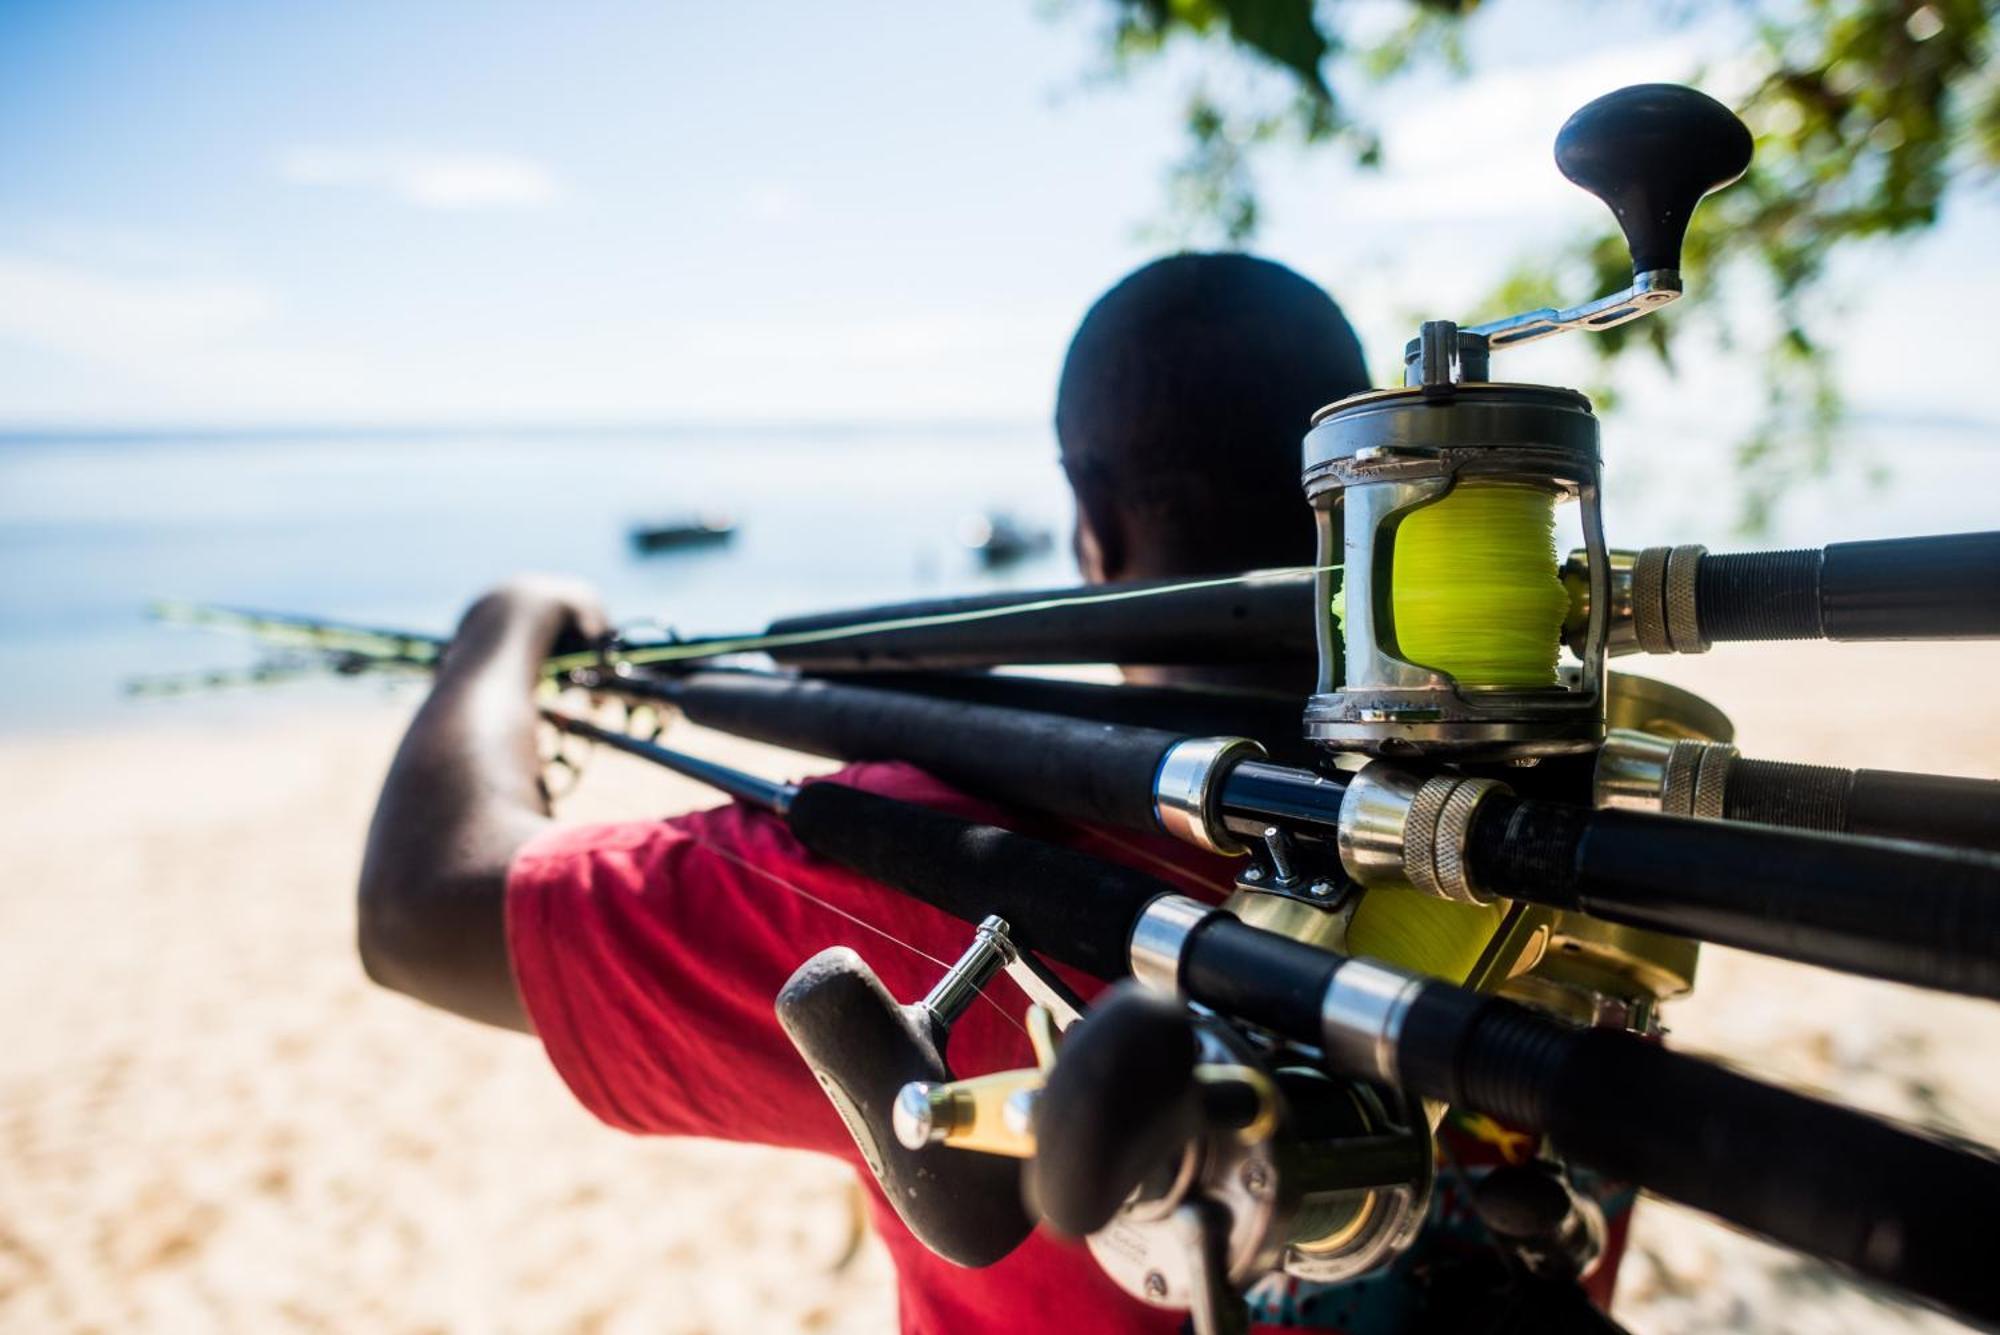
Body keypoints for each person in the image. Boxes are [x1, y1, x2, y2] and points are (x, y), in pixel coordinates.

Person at [357, 254, 1625, 1332]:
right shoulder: (1580, 829)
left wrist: (502, 622)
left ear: (1092, 523)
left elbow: (423, 911)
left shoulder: (902, 849)